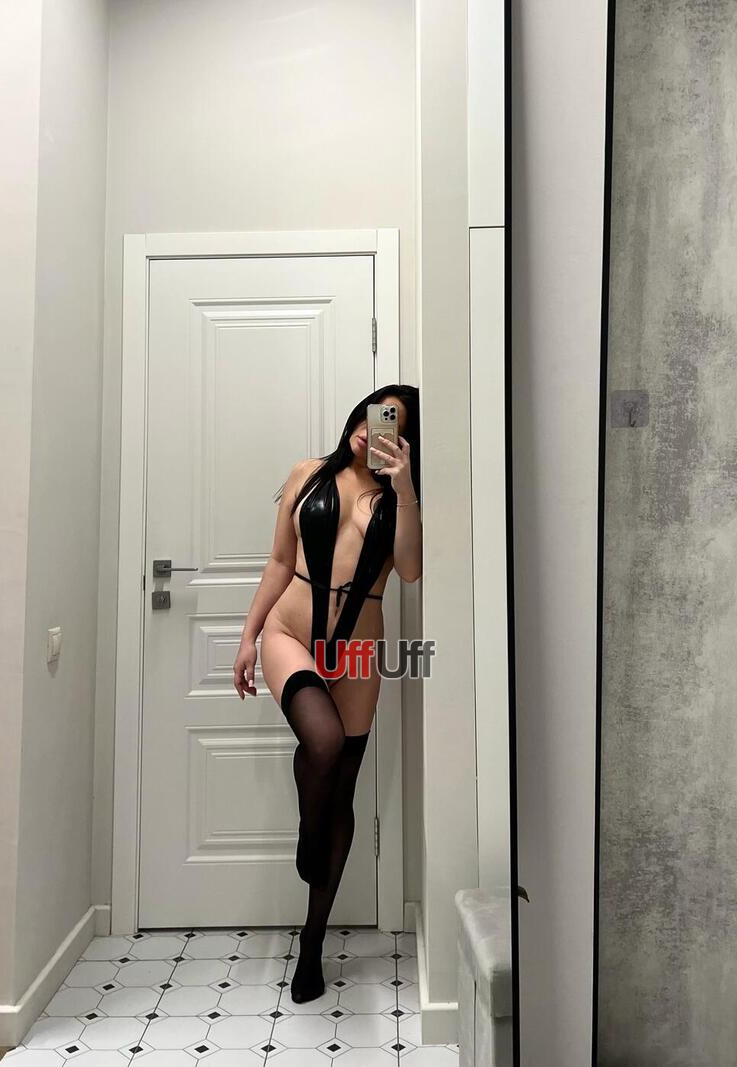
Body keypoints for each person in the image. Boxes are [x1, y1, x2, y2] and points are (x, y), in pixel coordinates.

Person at [232, 384, 422, 1003]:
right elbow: (279, 561)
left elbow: (411, 569)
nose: (372, 428)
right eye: (372, 413)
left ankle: (312, 945)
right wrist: (248, 636)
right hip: (290, 632)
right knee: (324, 741)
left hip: (358, 653)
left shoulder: (400, 498)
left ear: (406, 440)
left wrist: (404, 486)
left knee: (342, 786)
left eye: (391, 423)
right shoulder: (308, 474)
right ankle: (309, 831)